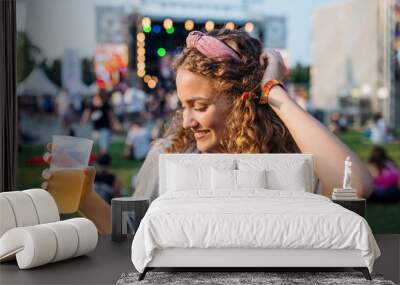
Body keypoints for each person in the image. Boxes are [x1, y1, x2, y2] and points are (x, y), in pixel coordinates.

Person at [42, 29, 373, 233]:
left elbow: (355, 185)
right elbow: (132, 235)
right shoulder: (170, 152)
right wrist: (85, 198)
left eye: (200, 106)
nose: (187, 121)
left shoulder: (288, 156)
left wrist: (272, 89)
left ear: (242, 99)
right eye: (183, 106)